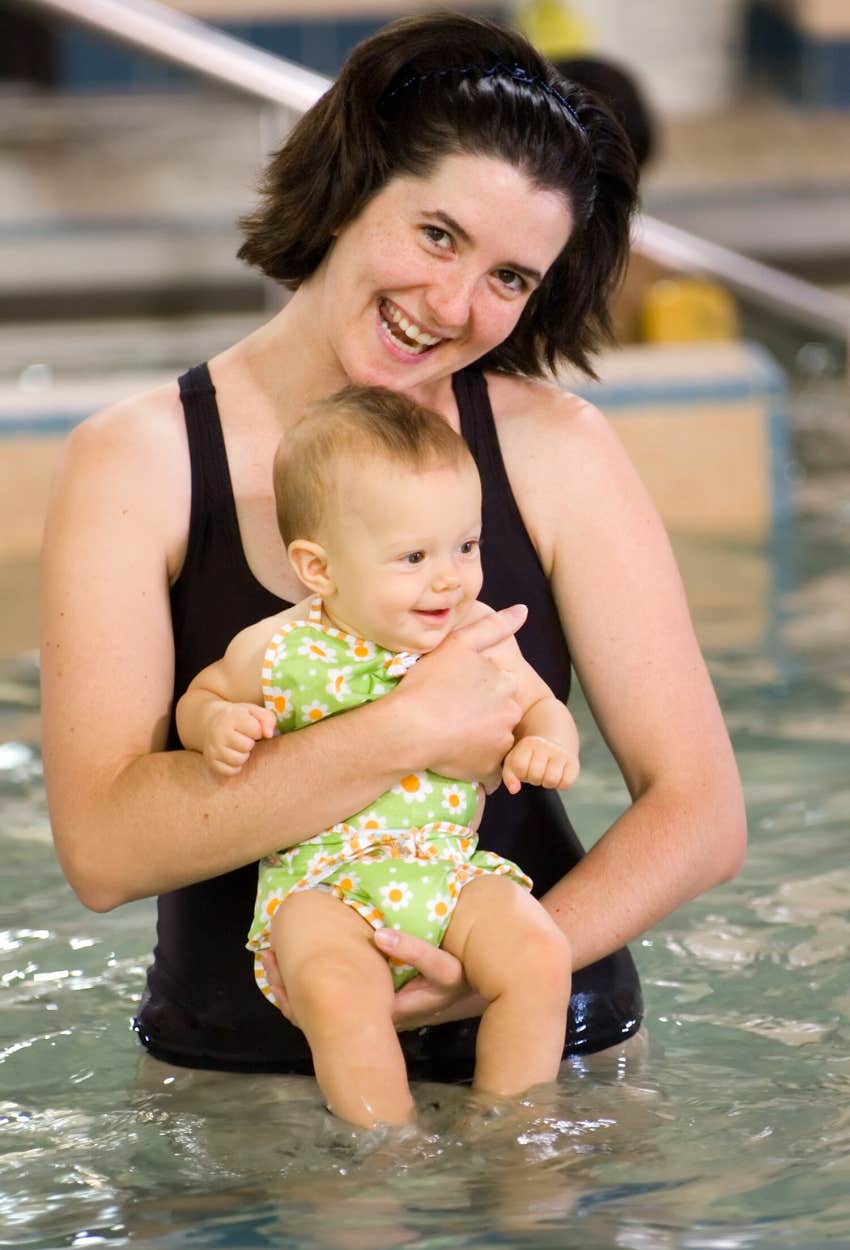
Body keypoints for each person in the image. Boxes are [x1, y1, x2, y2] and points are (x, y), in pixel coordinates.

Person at [40, 12, 746, 1083]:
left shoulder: (555, 451)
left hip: (558, 1066)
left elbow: (700, 811)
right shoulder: (137, 464)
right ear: (351, 184)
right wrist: (404, 727)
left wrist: (512, 961)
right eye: (436, 234)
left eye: (510, 278)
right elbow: (102, 851)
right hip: (242, 1087)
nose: (453, 305)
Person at [176, 386, 580, 1124]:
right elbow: (200, 696)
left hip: (446, 868)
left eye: (467, 545)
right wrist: (219, 724)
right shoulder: (279, 648)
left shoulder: (478, 631)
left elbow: (541, 705)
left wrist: (548, 743)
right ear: (320, 569)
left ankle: (516, 1131)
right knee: (334, 987)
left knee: (541, 955)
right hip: (320, 883)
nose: (449, 578)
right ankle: (385, 1151)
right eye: (414, 556)